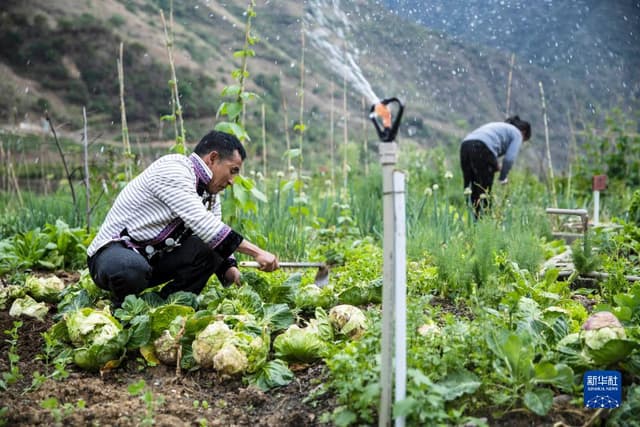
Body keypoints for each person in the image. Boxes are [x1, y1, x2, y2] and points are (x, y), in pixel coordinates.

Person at [87, 130, 279, 305]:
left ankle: (165, 307)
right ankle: (123, 308)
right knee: (130, 268)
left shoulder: (210, 194)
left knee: (211, 251)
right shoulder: (174, 170)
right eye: (232, 170)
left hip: (152, 260)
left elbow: (215, 235)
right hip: (112, 255)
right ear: (213, 158)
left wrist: (231, 270)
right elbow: (204, 225)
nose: (231, 181)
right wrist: (257, 252)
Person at [459, 115, 532, 217]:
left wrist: (494, 165)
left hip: (465, 146)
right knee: (484, 192)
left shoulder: (501, 127)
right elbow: (509, 159)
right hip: (482, 147)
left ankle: (473, 222)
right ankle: (484, 222)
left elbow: (488, 152)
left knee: (471, 189)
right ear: (524, 133)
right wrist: (503, 177)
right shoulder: (517, 134)